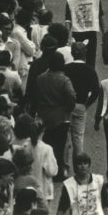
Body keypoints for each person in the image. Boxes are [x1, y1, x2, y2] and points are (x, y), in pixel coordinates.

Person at [30, 52, 76, 181]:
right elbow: (72, 96)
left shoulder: (40, 78)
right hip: (61, 117)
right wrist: (68, 108)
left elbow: (36, 96)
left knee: (47, 142)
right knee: (60, 146)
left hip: (44, 115)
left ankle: (45, 169)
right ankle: (59, 172)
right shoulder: (64, 80)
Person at [64, 41, 104, 160]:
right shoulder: (90, 70)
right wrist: (87, 104)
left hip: (66, 106)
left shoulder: (66, 68)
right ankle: (78, 164)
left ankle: (65, 166)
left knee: (65, 137)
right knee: (78, 137)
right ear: (85, 54)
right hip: (81, 105)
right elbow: (96, 91)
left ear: (72, 53)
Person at [64, 0, 105, 69]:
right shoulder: (70, 1)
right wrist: (67, 37)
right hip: (77, 33)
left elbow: (100, 16)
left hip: (91, 33)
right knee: (77, 61)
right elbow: (68, 20)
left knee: (91, 60)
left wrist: (103, 33)